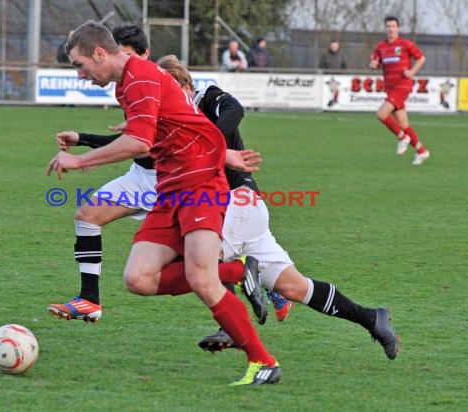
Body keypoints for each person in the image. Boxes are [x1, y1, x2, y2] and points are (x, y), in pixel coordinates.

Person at [46, 20, 281, 386]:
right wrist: (223, 152)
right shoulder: (128, 83)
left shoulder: (138, 78)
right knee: (138, 279)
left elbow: (140, 142)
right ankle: (236, 271)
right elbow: (179, 121)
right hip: (172, 188)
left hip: (200, 185)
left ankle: (263, 362)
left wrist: (78, 160)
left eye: (78, 64)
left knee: (201, 280)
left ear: (99, 53)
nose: (79, 75)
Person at [156, 55, 400, 361]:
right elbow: (138, 146)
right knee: (296, 288)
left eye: (168, 87)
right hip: (244, 213)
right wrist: (86, 140)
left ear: (185, 84)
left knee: (199, 259)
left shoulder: (206, 99)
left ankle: (238, 295)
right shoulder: (172, 119)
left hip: (238, 201)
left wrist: (211, 143)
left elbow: (236, 110)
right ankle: (371, 318)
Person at [370, 16, 430, 165]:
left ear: (398, 28)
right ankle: (422, 151)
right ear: (385, 28)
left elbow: (421, 58)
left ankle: (402, 137)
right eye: (388, 26)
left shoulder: (405, 44)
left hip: (402, 85)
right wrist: (373, 63)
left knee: (381, 114)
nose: (390, 29)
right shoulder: (380, 47)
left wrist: (412, 71)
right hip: (390, 88)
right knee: (403, 123)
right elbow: (375, 62)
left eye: (393, 26)